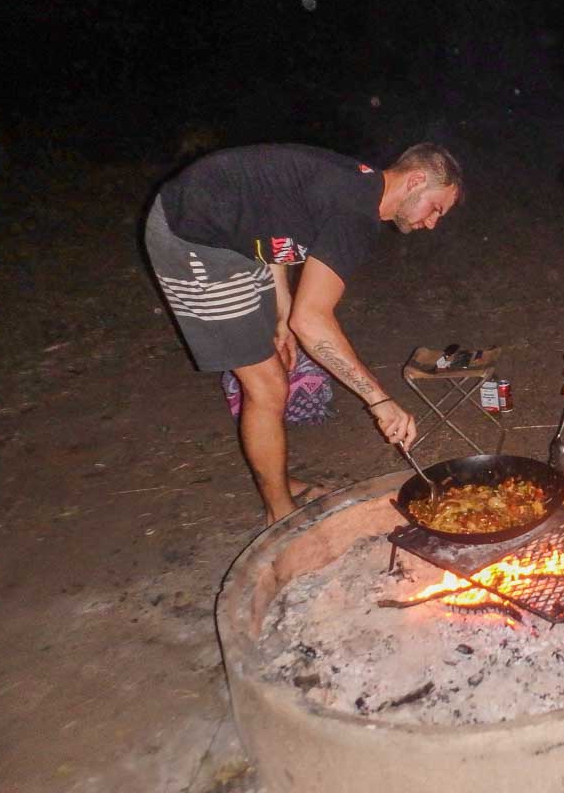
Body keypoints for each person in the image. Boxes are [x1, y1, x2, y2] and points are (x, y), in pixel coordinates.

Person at [145, 142, 463, 525]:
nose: (432, 223)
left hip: (236, 233)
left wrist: (281, 316)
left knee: (275, 369)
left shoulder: (359, 185)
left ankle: (280, 481)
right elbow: (312, 321)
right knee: (267, 387)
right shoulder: (354, 213)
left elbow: (274, 230)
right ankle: (278, 513)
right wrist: (379, 401)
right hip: (194, 237)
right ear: (415, 180)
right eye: (436, 208)